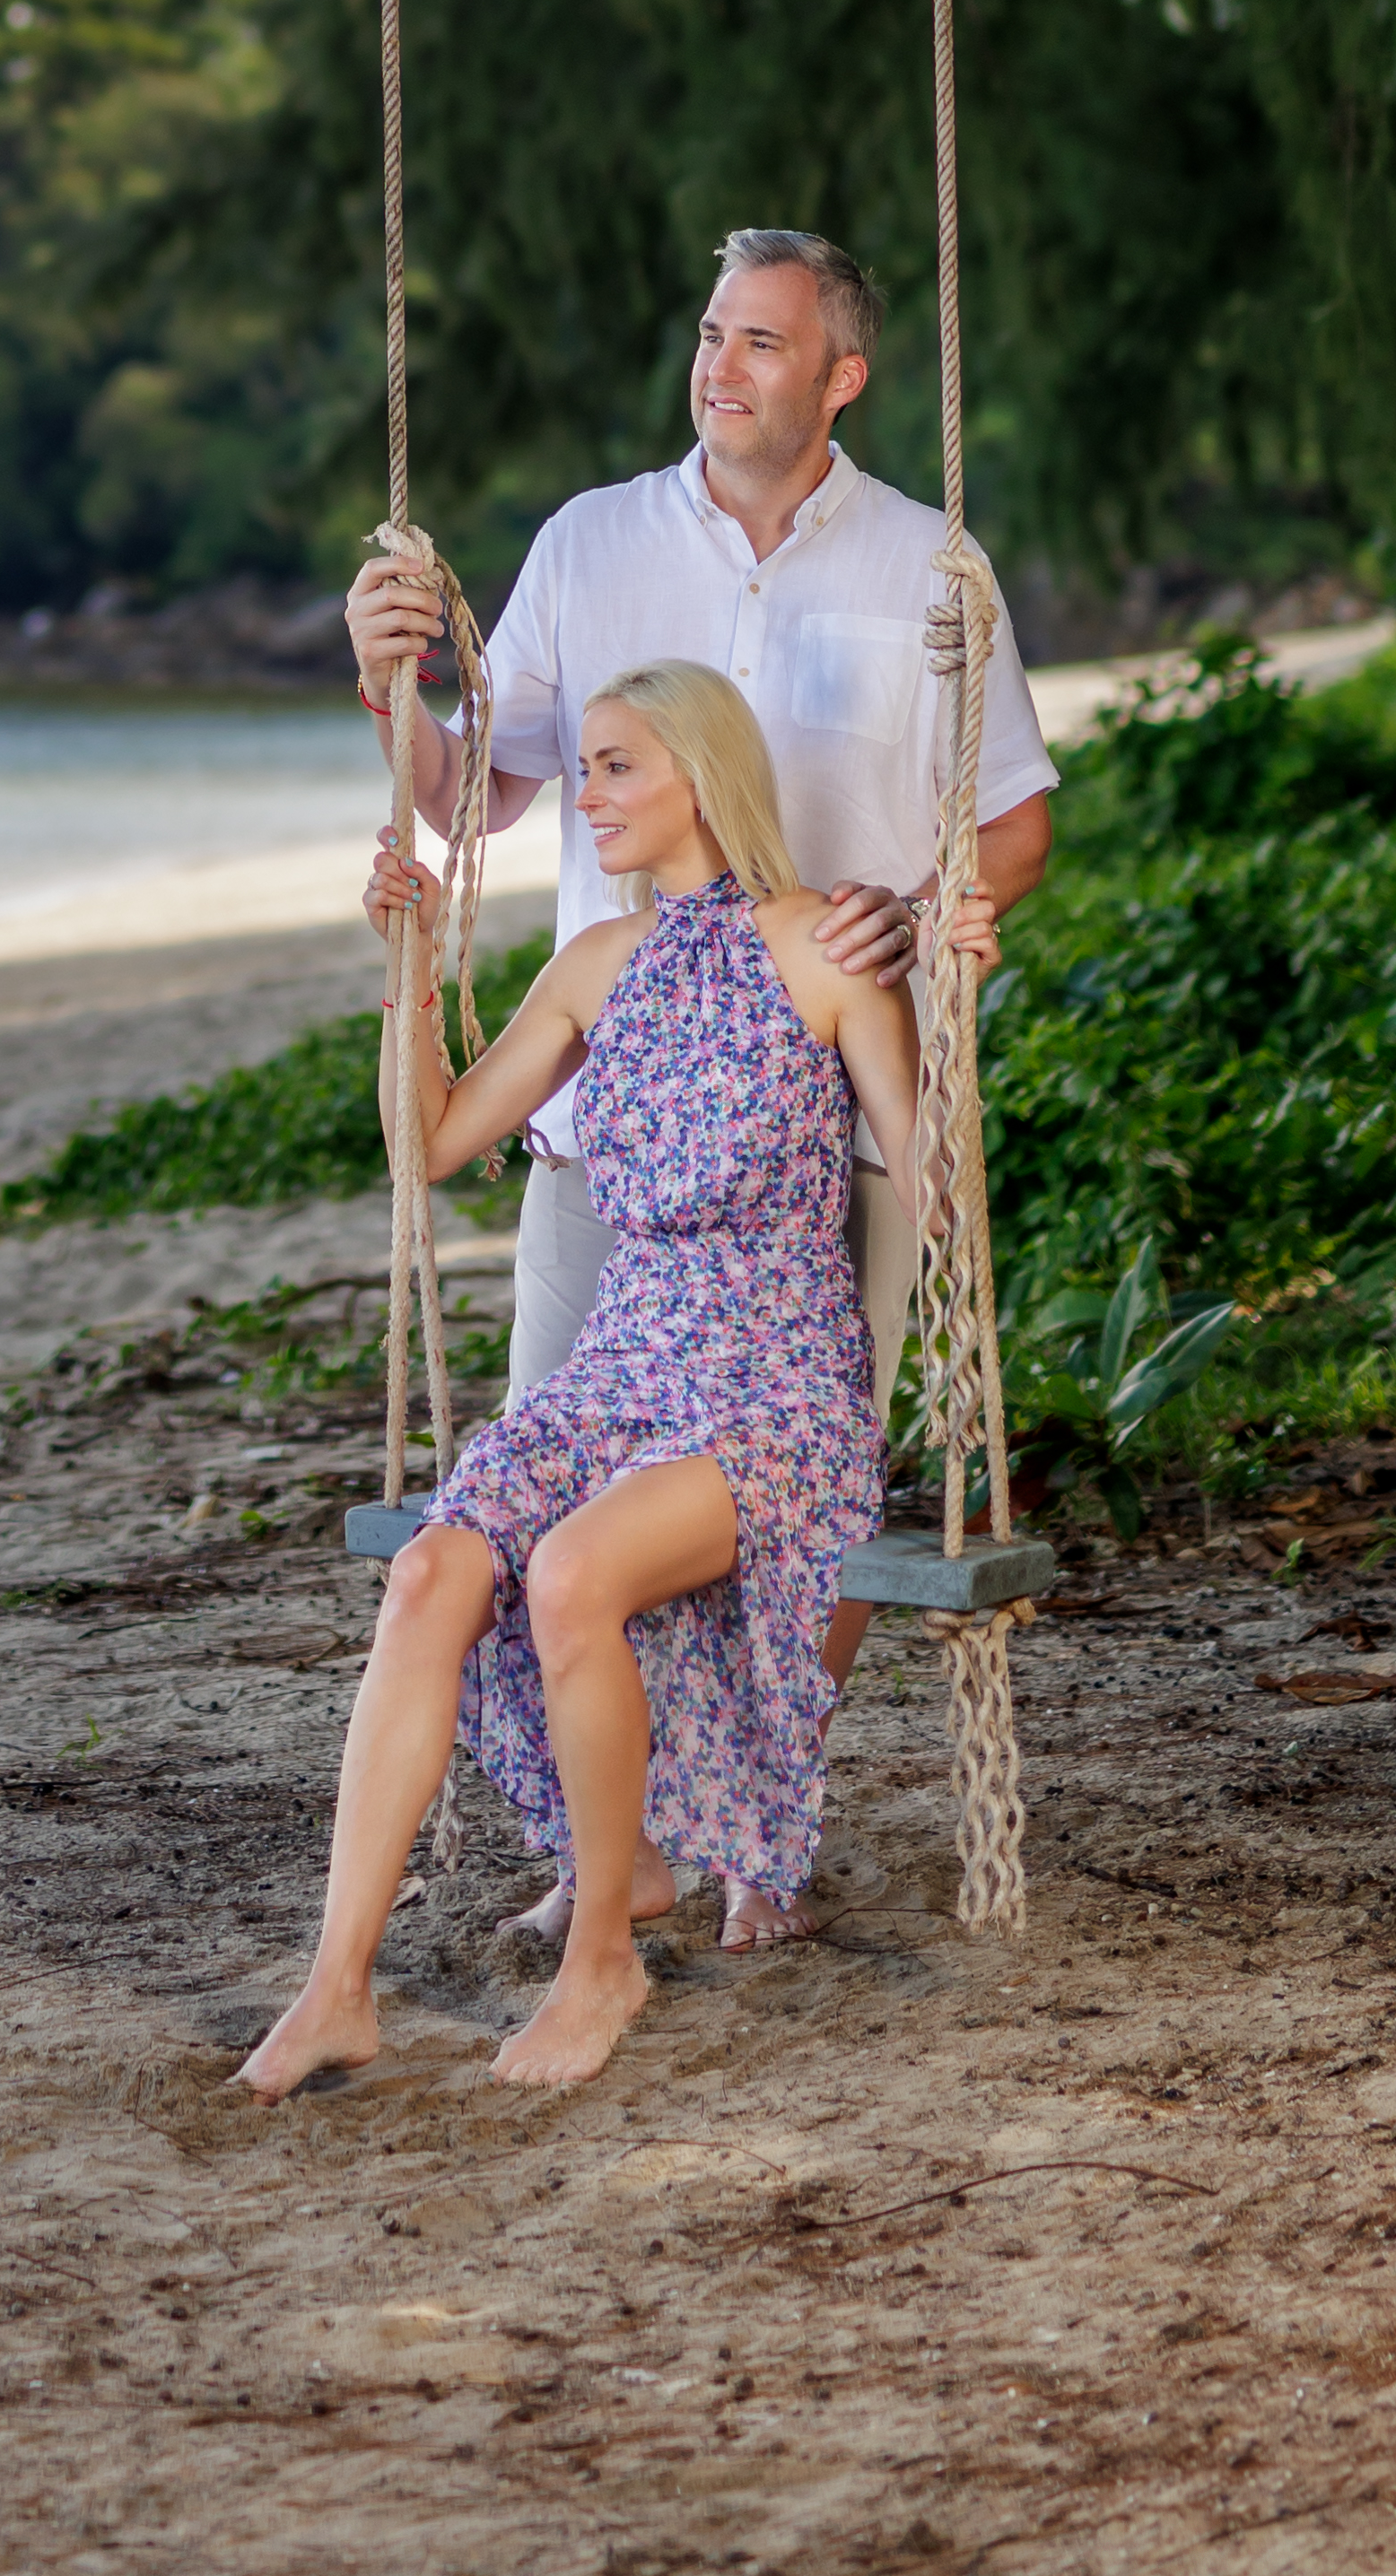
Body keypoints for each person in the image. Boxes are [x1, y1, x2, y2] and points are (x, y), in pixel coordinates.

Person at [349, 225, 1054, 1725]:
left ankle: (756, 1825)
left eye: (761, 342)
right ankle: (610, 1846)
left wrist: (926, 915)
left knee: (811, 1500)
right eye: (709, 334)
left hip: (834, 1112)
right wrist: (387, 685)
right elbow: (476, 794)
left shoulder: (930, 563)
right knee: (555, 1486)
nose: (717, 367)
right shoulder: (589, 542)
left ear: (844, 375)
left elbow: (1015, 826)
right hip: (608, 1117)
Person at [239, 663, 923, 2101]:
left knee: (566, 1575)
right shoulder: (594, 965)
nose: (587, 795)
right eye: (589, 768)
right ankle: (336, 1983)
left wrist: (955, 980)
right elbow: (428, 1144)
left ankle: (600, 1950)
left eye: (613, 766)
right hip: (622, 1366)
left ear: (699, 771)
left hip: (773, 1381)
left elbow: (933, 1174)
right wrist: (412, 959)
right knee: (431, 1572)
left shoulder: (826, 948)